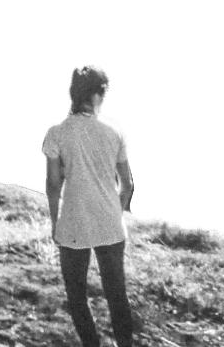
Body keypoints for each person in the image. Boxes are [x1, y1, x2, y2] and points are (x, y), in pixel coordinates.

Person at [42, 62, 148, 347]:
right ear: (98, 93)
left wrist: (54, 222)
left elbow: (53, 185)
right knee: (117, 294)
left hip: (72, 223)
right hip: (109, 224)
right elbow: (128, 184)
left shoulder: (56, 132)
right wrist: (116, 211)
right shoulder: (115, 129)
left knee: (77, 296)